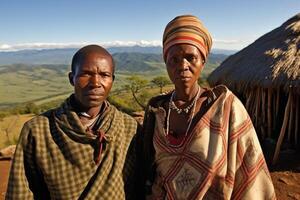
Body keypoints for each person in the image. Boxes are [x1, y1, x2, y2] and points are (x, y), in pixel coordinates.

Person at [137, 15, 276, 199]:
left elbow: (251, 172)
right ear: (165, 62)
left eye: (190, 57)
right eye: (174, 59)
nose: (182, 66)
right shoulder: (157, 112)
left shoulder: (226, 107)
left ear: (203, 60)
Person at [6, 45, 139, 200]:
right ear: (71, 78)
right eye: (86, 74)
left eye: (104, 75)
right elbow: (21, 191)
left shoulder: (129, 128)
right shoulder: (39, 130)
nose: (95, 83)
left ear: (112, 80)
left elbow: (138, 186)